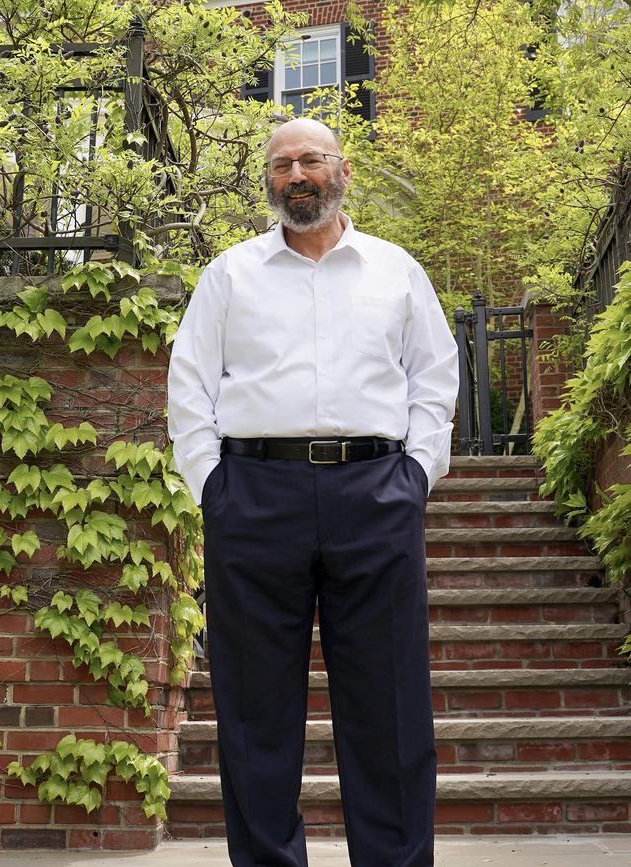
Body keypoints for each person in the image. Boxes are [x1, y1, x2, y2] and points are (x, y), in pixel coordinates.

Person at [167, 117, 460, 867]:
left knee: (390, 705)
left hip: (377, 495)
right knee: (254, 709)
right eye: (281, 164)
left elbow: (434, 378)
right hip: (255, 497)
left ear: (343, 170)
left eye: (311, 160)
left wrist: (416, 473)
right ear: (267, 180)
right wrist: (214, 487)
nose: (297, 175)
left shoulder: (397, 270)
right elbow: (189, 387)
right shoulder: (229, 274)